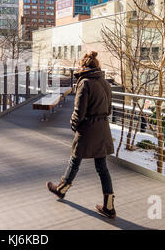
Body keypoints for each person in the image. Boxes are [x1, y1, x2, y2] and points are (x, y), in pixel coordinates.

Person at [46, 51, 116, 219]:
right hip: (103, 128)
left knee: (75, 158)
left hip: (88, 129)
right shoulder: (105, 83)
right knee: (102, 168)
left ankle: (62, 189)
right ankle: (109, 206)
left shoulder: (84, 83)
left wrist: (73, 125)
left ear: (84, 67)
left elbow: (79, 111)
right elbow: (109, 109)